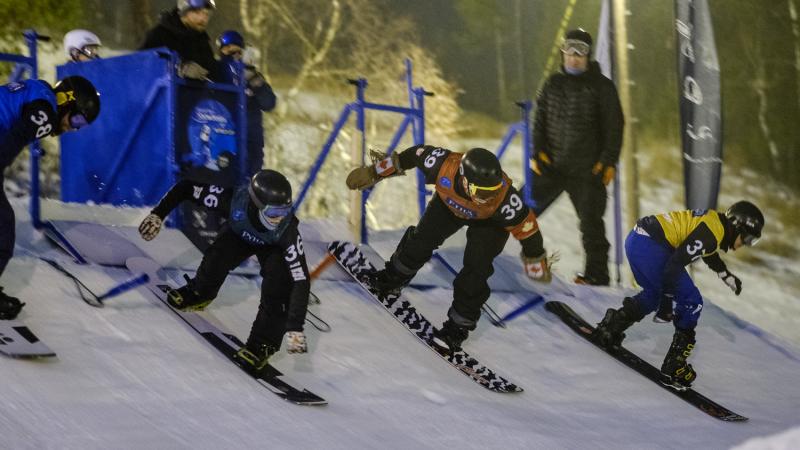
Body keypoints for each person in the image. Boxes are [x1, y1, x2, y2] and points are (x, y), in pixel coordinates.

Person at [346, 146, 552, 354]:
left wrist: (535, 258)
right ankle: (391, 279)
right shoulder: (442, 164)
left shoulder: (505, 201)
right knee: (421, 240)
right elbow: (410, 156)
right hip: (449, 203)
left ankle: (457, 327)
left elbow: (528, 228)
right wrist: (374, 172)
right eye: (482, 192)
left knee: (476, 268)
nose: (489, 197)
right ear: (464, 179)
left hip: (490, 222)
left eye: (493, 191)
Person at [137, 169, 310, 372]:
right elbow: (186, 187)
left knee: (278, 287)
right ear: (256, 204)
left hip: (274, 248)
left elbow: (301, 279)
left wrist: (295, 327)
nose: (280, 219)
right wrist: (158, 214)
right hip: (240, 233)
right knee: (219, 253)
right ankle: (199, 292)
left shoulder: (287, 232)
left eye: (285, 211)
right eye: (274, 213)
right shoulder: (231, 200)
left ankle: (263, 344)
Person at [593, 201, 764, 388]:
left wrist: (724, 274)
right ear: (736, 225)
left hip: (638, 240)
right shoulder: (712, 231)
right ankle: (674, 365)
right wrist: (667, 303)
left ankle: (612, 326)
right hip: (650, 246)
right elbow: (675, 264)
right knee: (693, 301)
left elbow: (707, 249)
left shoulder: (715, 223)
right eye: (747, 239)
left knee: (654, 294)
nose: (744, 245)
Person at [0, 76, 101, 319]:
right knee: (3, 228)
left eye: (80, 126)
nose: (72, 128)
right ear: (67, 100)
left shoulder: (37, 89)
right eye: (77, 119)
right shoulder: (46, 110)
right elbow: (13, 139)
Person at [530, 28, 624, 286]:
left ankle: (596, 276)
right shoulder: (553, 84)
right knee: (518, 211)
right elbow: (538, 122)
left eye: (580, 51)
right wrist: (536, 152)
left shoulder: (602, 87)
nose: (574, 56)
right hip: (553, 166)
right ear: (562, 52)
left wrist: (608, 161)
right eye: (569, 49)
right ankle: (489, 255)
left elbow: (615, 126)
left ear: (588, 55)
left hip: (587, 171)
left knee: (592, 226)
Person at [216, 30, 277, 177]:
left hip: (250, 142)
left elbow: (269, 103)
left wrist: (255, 81)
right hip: (222, 139)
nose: (233, 54)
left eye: (237, 50)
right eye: (228, 50)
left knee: (247, 185)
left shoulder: (253, 76)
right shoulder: (216, 73)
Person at [140, 0, 221, 81]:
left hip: (195, 93)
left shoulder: (202, 42)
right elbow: (140, 66)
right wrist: (179, 68)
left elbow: (213, 74)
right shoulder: (160, 34)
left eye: (206, 14)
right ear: (184, 11)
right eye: (197, 12)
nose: (203, 19)